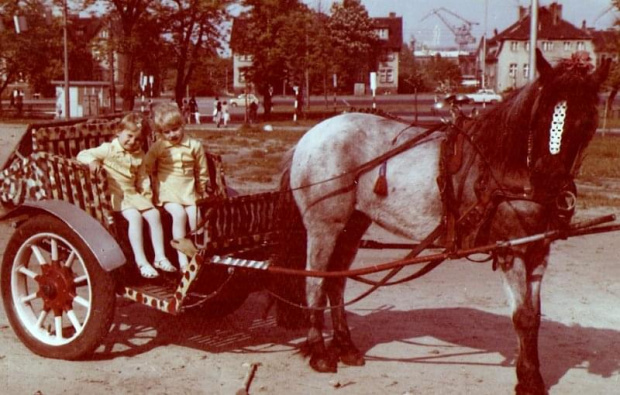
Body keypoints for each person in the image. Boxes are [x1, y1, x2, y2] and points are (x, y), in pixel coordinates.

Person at [76, 113, 174, 278]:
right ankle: (141, 261)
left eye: (137, 139)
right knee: (135, 218)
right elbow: (82, 155)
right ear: (118, 132)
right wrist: (92, 162)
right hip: (115, 196)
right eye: (129, 136)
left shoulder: (139, 155)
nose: (132, 142)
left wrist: (147, 198)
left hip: (132, 194)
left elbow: (143, 179)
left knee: (154, 214)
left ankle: (160, 257)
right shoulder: (109, 149)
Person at [146, 103, 211, 270]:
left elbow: (201, 169)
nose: (172, 135)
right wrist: (152, 183)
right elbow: (147, 166)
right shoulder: (159, 147)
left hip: (189, 191)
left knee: (195, 216)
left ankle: (198, 253)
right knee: (179, 215)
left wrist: (202, 189)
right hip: (169, 192)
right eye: (166, 132)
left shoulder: (194, 146)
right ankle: (182, 260)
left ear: (182, 125)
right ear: (160, 133)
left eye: (175, 129)